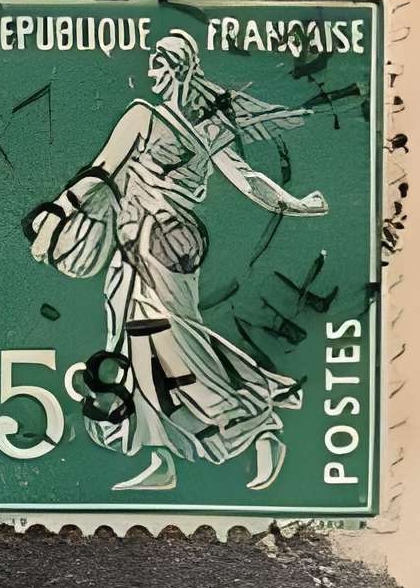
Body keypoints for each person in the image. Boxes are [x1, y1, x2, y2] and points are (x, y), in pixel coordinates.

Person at [25, 28, 327, 493]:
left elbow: (102, 172)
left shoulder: (146, 117)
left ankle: (256, 423)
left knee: (173, 339)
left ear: (179, 68)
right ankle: (162, 456)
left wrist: (55, 215)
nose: (152, 72)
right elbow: (249, 181)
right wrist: (295, 203)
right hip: (170, 240)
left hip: (154, 240)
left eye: (159, 64)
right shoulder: (209, 129)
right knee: (138, 345)